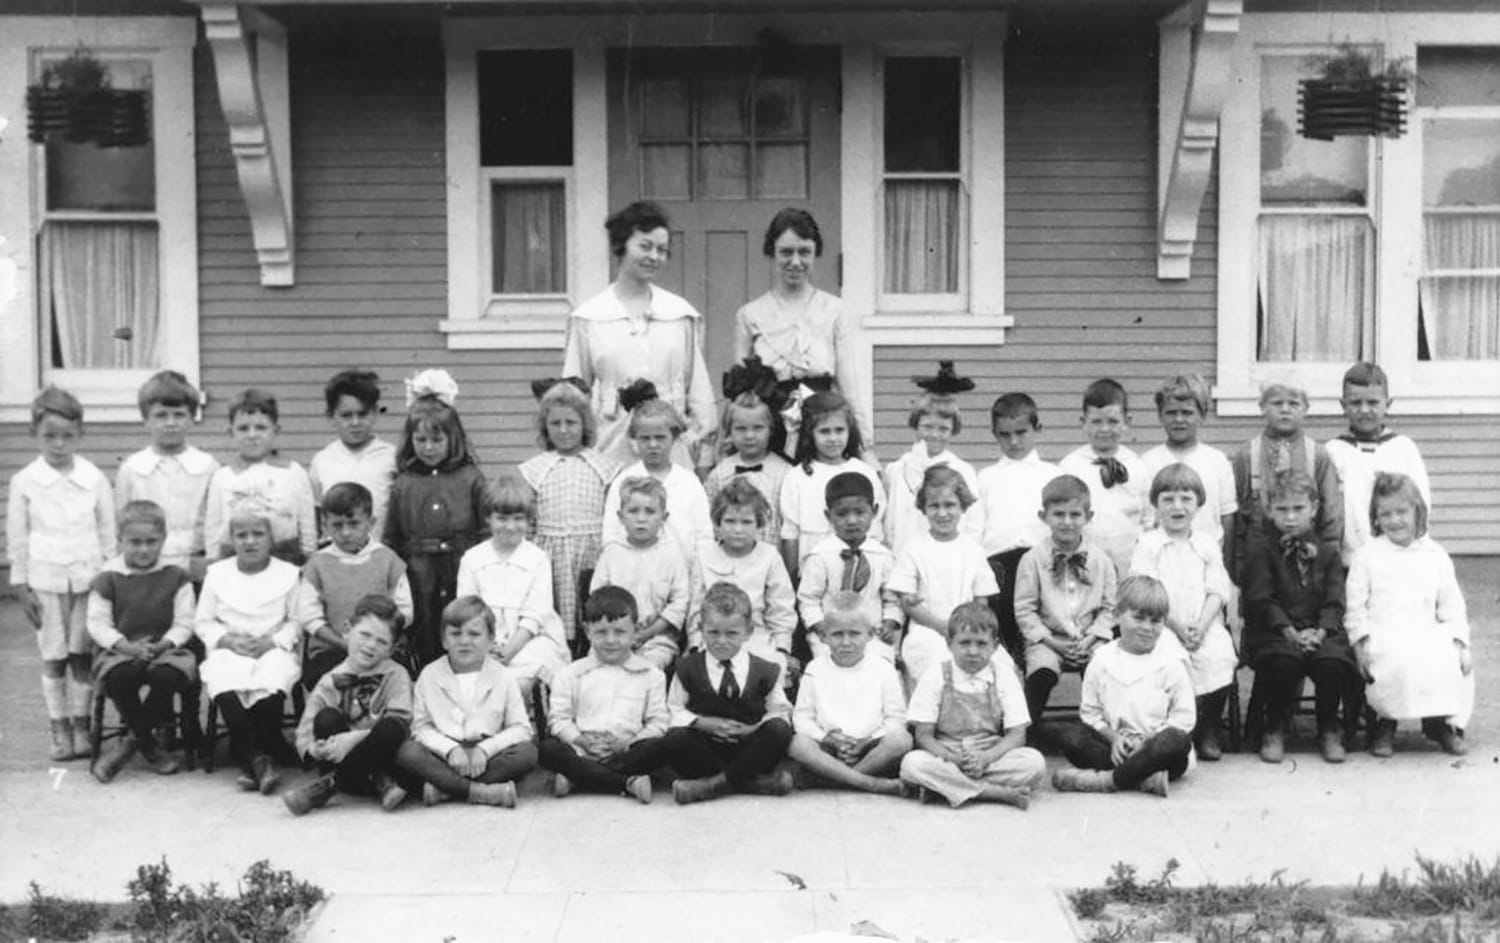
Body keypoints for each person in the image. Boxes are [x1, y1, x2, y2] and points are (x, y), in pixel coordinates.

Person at [561, 201, 716, 468]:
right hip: (611, 447)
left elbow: (699, 393)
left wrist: (703, 455)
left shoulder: (679, 314)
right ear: (622, 245)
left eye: (662, 250)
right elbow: (572, 396)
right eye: (645, 246)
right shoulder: (590, 318)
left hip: (672, 448)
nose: (654, 256)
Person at [7, 386, 115, 761]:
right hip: (45, 581)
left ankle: (82, 725)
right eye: (49, 436)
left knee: (81, 655)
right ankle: (59, 728)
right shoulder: (25, 481)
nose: (58, 444)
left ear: (80, 434)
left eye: (68, 436)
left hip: (88, 580)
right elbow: (18, 537)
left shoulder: (93, 477)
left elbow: (107, 532)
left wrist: (109, 577)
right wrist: (20, 585)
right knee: (53, 656)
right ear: (35, 433)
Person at [1346, 472, 1472, 757]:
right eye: (1385, 514)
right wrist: (1358, 642)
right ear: (1375, 518)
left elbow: (1452, 605)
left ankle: (1440, 724)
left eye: (1401, 511)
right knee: (1396, 656)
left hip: (1425, 628)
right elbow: (1355, 607)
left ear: (1418, 510)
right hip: (1382, 630)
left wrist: (1459, 640)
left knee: (1447, 655)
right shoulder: (1367, 555)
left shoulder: (1435, 554)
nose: (1394, 520)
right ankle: (1386, 723)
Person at [1242, 470, 1358, 764]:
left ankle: (1329, 727)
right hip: (1275, 632)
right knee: (1284, 661)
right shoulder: (1261, 551)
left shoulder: (1328, 552)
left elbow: (1335, 601)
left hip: (1320, 632)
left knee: (1332, 662)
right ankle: (1274, 727)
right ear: (1269, 510)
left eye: (1298, 509)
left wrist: (1319, 632)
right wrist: (1290, 633)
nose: (1290, 517)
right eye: (1282, 509)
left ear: (1314, 509)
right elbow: (1261, 599)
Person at [734, 207, 872, 446]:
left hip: (822, 424)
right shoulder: (749, 314)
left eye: (804, 252)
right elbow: (740, 390)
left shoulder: (835, 309)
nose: (795, 262)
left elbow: (848, 383)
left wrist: (864, 441)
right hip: (770, 425)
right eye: (786, 252)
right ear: (772, 253)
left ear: (815, 253)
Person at [196, 498, 304, 794]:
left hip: (272, 647)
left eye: (258, 534)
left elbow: (296, 621)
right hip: (230, 647)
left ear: (271, 539)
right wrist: (228, 640)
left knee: (273, 676)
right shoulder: (217, 574)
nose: (250, 541)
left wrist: (273, 641)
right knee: (225, 678)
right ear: (232, 540)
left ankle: (248, 755)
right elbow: (203, 622)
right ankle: (259, 758)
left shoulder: (288, 574)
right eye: (241, 535)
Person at [1051, 575, 1196, 798]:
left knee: (1176, 740)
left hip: (1156, 749)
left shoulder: (1171, 662)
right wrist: (1114, 738)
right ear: (1118, 615)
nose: (1147, 628)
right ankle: (1143, 779)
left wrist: (1147, 742)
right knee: (1070, 736)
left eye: (1156, 621)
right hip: (1115, 747)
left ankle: (1108, 781)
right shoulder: (1102, 659)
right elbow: (1090, 712)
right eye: (1138, 618)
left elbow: (1184, 718)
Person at [1129, 464, 1236, 760]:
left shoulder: (1206, 544)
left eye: (1186, 499)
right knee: (1171, 661)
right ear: (1156, 504)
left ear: (1199, 503)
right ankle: (1178, 730)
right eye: (1168, 499)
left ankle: (1209, 726)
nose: (1178, 507)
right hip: (1161, 625)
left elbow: (1218, 589)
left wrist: (1201, 626)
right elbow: (1144, 591)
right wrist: (1175, 626)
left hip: (1203, 623)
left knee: (1219, 654)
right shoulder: (1148, 544)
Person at [86, 500, 197, 782]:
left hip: (165, 648)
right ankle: (150, 747)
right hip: (122, 648)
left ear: (164, 539)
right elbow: (97, 623)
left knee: (166, 677)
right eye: (135, 542)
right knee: (121, 677)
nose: (144, 549)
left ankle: (130, 744)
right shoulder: (108, 576)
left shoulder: (176, 575)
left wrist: (166, 643)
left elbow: (185, 622)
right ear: (120, 540)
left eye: (152, 541)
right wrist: (124, 645)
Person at [384, 370, 488, 667]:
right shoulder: (405, 482)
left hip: (460, 568)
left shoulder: (470, 477)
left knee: (460, 626)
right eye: (421, 439)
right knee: (426, 631)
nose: (428, 447)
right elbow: (392, 537)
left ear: (452, 438)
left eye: (436, 439)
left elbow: (485, 532)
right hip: (419, 573)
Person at [899, 602, 1045, 809]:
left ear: (995, 645)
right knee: (912, 764)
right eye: (965, 643)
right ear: (949, 643)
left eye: (981, 643)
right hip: (947, 754)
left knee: (1034, 763)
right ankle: (994, 793)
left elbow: (1017, 735)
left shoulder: (1002, 675)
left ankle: (946, 789)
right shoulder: (936, 675)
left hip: (991, 753)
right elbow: (923, 736)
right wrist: (954, 759)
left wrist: (985, 759)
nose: (973, 651)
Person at [395, 596, 538, 807]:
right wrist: (451, 750)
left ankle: (445, 789)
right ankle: (479, 791)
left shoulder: (503, 676)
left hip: (487, 755)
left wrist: (485, 749)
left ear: (491, 640)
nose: (464, 641)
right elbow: (421, 727)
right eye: (455, 633)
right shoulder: (430, 675)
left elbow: (521, 728)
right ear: (444, 640)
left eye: (474, 634)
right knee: (408, 752)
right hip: (444, 753)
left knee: (527, 753)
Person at [662, 582, 796, 804]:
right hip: (706, 749)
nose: (721, 641)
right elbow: (673, 709)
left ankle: (713, 786)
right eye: (713, 632)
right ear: (700, 627)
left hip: (749, 751)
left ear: (749, 632)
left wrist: (752, 729)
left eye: (732, 633)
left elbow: (779, 712)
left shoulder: (765, 669)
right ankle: (752, 783)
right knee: (675, 738)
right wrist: (701, 723)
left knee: (779, 730)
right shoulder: (687, 668)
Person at [284, 595, 414, 815]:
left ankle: (330, 785)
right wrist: (313, 748)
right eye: (365, 634)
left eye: (382, 641)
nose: (371, 645)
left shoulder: (396, 674)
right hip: (338, 755)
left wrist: (355, 738)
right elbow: (306, 726)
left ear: (391, 649)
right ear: (347, 630)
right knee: (325, 717)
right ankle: (378, 781)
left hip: (380, 752)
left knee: (392, 727)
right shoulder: (330, 679)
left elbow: (403, 722)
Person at [540, 586, 671, 803]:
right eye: (601, 632)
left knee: (660, 747)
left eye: (620, 632)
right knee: (547, 750)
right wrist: (581, 741)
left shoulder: (651, 674)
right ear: (587, 630)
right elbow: (559, 719)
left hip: (627, 751)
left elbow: (658, 722)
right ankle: (625, 783)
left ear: (636, 631)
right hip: (581, 749)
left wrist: (627, 744)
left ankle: (578, 778)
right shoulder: (571, 674)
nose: (610, 640)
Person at [519, 379, 618, 649]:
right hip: (551, 555)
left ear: (585, 424)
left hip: (592, 553)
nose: (563, 430)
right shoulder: (534, 470)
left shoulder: (605, 467)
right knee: (555, 624)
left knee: (594, 614)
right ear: (545, 426)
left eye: (571, 423)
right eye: (555, 424)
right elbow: (527, 524)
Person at [1013, 474, 1117, 724]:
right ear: (1044, 517)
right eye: (1058, 514)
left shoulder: (1101, 560)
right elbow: (1024, 610)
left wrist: (1092, 637)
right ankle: (1026, 730)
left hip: (1090, 637)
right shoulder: (1033, 560)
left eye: (1075, 514)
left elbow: (1110, 608)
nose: (1067, 522)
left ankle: (1103, 727)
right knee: (1042, 671)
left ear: (1088, 517)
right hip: (1048, 638)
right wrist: (1052, 643)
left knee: (1103, 667)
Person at [787, 591, 912, 796]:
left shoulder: (883, 668)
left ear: (870, 635)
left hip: (870, 749)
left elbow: (896, 718)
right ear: (823, 636)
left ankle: (835, 780)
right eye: (837, 634)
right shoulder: (815, 668)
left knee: (901, 740)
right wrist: (826, 738)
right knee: (797, 744)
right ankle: (869, 784)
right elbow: (802, 718)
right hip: (828, 748)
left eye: (854, 633)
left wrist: (867, 741)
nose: (846, 642)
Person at [455, 472, 570, 692]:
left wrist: (510, 649)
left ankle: (518, 724)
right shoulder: (473, 559)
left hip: (531, 639)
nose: (510, 527)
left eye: (518, 519)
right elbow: (468, 611)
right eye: (502, 518)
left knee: (517, 682)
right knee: (475, 682)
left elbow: (536, 614)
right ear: (488, 518)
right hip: (484, 638)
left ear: (529, 520)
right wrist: (487, 644)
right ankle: (488, 723)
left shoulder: (537, 559)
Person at [887, 466, 998, 689]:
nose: (942, 513)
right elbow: (908, 601)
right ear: (923, 508)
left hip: (969, 631)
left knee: (999, 667)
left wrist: (967, 629)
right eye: (934, 506)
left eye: (950, 505)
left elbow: (981, 601)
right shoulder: (913, 549)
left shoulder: (973, 550)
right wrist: (940, 626)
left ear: (962, 506)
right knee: (938, 666)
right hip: (926, 630)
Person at [1227, 379, 1341, 584]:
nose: (1285, 410)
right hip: (1259, 562)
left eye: (1294, 403)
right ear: (1262, 407)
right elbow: (1237, 519)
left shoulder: (1318, 455)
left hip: (1308, 562)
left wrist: (1329, 568)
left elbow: (1330, 516)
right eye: (1277, 403)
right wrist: (1239, 569)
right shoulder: (1246, 455)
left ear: (1306, 408)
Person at [300, 483, 414, 688]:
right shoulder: (317, 564)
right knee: (332, 682)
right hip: (333, 649)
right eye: (337, 525)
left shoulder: (388, 560)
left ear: (370, 522)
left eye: (354, 524)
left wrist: (375, 640)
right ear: (324, 525)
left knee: (389, 680)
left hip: (382, 648)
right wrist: (345, 643)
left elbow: (405, 611)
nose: (345, 532)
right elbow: (309, 617)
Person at [686, 479, 797, 678]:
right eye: (730, 521)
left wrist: (782, 648)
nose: (738, 529)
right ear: (717, 523)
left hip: (755, 639)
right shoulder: (704, 555)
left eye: (746, 522)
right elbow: (695, 607)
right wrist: (695, 644)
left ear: (759, 525)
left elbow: (781, 607)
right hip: (713, 639)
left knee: (769, 673)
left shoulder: (769, 556)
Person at [976, 392, 1058, 659]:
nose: (1013, 441)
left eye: (1021, 432)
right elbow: (977, 528)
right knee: (1005, 633)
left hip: (1040, 562)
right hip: (998, 565)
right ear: (994, 434)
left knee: (1036, 633)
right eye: (1005, 434)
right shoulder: (986, 477)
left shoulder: (1052, 474)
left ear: (1038, 429)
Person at [114, 370, 218, 581]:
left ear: (191, 419)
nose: (170, 423)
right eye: (161, 415)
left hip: (194, 566)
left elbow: (215, 521)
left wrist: (209, 560)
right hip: (145, 566)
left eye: (179, 415)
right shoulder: (132, 469)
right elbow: (121, 522)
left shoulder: (208, 466)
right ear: (146, 420)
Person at [1324, 362, 1432, 565]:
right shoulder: (1335, 451)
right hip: (1350, 559)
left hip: (1398, 557)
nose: (1364, 410)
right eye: (1356, 403)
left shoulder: (1403, 448)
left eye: (1373, 402)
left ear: (1387, 404)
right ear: (1343, 405)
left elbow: (1421, 503)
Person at [796, 472, 901, 665]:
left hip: (871, 633)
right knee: (828, 667)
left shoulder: (883, 556)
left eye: (860, 513)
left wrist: (889, 622)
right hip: (831, 634)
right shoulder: (820, 555)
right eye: (842, 514)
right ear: (828, 515)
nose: (851, 521)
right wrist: (819, 625)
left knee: (880, 666)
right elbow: (808, 599)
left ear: (874, 511)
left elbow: (892, 599)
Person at [203, 389, 317, 566]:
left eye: (261, 427)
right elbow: (213, 528)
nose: (252, 435)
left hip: (284, 559)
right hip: (234, 563)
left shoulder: (294, 472)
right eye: (243, 428)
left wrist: (308, 557)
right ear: (231, 433)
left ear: (276, 431)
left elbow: (307, 522)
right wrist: (213, 563)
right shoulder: (222, 477)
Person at [779, 390, 883, 580]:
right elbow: (790, 534)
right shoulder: (797, 477)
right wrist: (792, 579)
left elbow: (875, 529)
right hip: (811, 572)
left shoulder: (865, 472)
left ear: (849, 431)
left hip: (858, 572)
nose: (833, 438)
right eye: (824, 431)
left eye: (839, 430)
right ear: (810, 434)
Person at [590, 476, 692, 670]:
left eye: (650, 512)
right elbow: (597, 598)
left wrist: (647, 633)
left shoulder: (671, 554)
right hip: (611, 636)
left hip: (656, 639)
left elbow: (680, 602)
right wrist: (618, 633)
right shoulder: (612, 553)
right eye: (633, 511)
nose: (641, 519)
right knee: (595, 671)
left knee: (645, 670)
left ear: (664, 517)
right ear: (621, 517)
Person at [601, 393, 715, 561]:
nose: (653, 444)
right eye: (645, 438)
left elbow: (704, 536)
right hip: (635, 571)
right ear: (635, 440)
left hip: (683, 574)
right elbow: (611, 534)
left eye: (660, 438)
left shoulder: (688, 482)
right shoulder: (624, 481)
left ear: (674, 437)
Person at [883, 364, 980, 555]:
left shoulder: (961, 470)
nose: (934, 435)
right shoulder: (897, 470)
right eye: (927, 427)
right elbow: (889, 522)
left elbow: (973, 526)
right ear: (916, 425)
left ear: (953, 430)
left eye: (943, 429)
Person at [1058, 378, 1150, 579]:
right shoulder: (1071, 466)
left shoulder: (1137, 466)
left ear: (1128, 422)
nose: (1105, 429)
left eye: (1113, 421)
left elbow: (1148, 518)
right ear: (1083, 423)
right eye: (1096, 421)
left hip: (1130, 560)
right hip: (1083, 559)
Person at [1141, 374, 1236, 551]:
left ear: (1203, 415)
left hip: (1207, 559)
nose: (1178, 419)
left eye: (1187, 413)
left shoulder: (1217, 461)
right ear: (1160, 416)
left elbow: (1227, 518)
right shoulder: (1147, 462)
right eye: (1171, 413)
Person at [703, 358, 792, 546]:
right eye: (741, 429)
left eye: (758, 428)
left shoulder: (785, 473)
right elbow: (709, 524)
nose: (749, 436)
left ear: (771, 429)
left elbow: (789, 527)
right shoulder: (719, 474)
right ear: (730, 430)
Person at [309, 369, 397, 540]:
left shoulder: (391, 458)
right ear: (331, 416)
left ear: (376, 412)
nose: (355, 423)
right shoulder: (322, 461)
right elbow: (315, 515)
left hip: (379, 556)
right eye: (346, 416)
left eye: (362, 414)